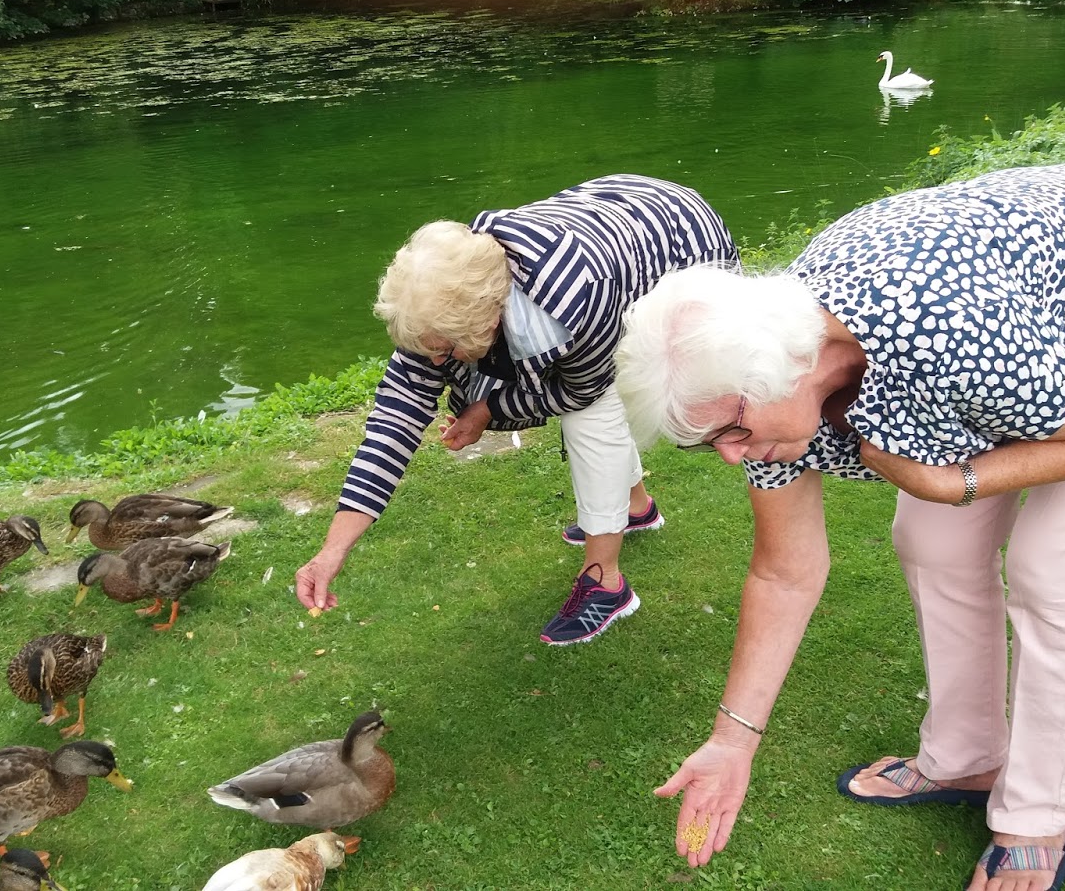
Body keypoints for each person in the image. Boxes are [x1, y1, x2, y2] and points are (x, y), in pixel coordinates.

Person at [614, 156, 1065, 889]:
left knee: (1053, 562)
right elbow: (784, 571)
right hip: (1033, 330)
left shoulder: (939, 332)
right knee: (929, 540)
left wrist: (956, 480)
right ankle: (967, 758)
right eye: (705, 442)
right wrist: (731, 741)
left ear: (779, 372)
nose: (731, 456)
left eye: (730, 429)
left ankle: (1036, 823)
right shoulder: (764, 388)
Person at [295, 174, 739, 644]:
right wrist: (331, 550)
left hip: (679, 246)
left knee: (593, 413)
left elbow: (579, 392)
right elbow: (393, 421)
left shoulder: (570, 301)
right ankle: (635, 508)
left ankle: (605, 583)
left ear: (487, 319)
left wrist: (487, 408)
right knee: (569, 396)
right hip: (613, 220)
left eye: (445, 350)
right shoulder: (444, 295)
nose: (438, 363)